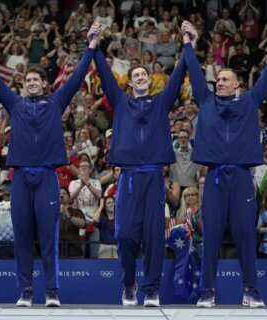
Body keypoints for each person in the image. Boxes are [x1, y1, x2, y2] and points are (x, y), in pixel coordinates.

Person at [0, 23, 100, 307]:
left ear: (44, 84)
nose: (31, 84)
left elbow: (77, 77)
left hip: (47, 178)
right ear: (23, 84)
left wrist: (90, 46)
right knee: (23, 237)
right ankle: (25, 292)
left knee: (48, 236)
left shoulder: (55, 102)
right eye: (27, 81)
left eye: (35, 81)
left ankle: (52, 292)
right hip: (20, 179)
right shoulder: (14, 103)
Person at [181, 16, 267, 308]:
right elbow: (193, 72)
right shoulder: (206, 100)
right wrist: (188, 45)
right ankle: (208, 292)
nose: (219, 83)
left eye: (225, 80)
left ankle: (251, 291)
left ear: (237, 84)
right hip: (215, 177)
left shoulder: (249, 100)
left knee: (245, 236)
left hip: (242, 176)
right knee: (211, 236)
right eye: (218, 80)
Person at [93, 21, 187, 307]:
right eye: (135, 74)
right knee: (124, 235)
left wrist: (187, 45)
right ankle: (128, 283)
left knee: (155, 236)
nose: (140, 76)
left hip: (154, 178)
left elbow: (178, 76)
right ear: (130, 82)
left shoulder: (161, 102)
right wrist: (95, 46)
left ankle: (152, 288)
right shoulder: (120, 101)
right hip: (129, 178)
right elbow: (106, 76)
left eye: (144, 73)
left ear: (150, 79)